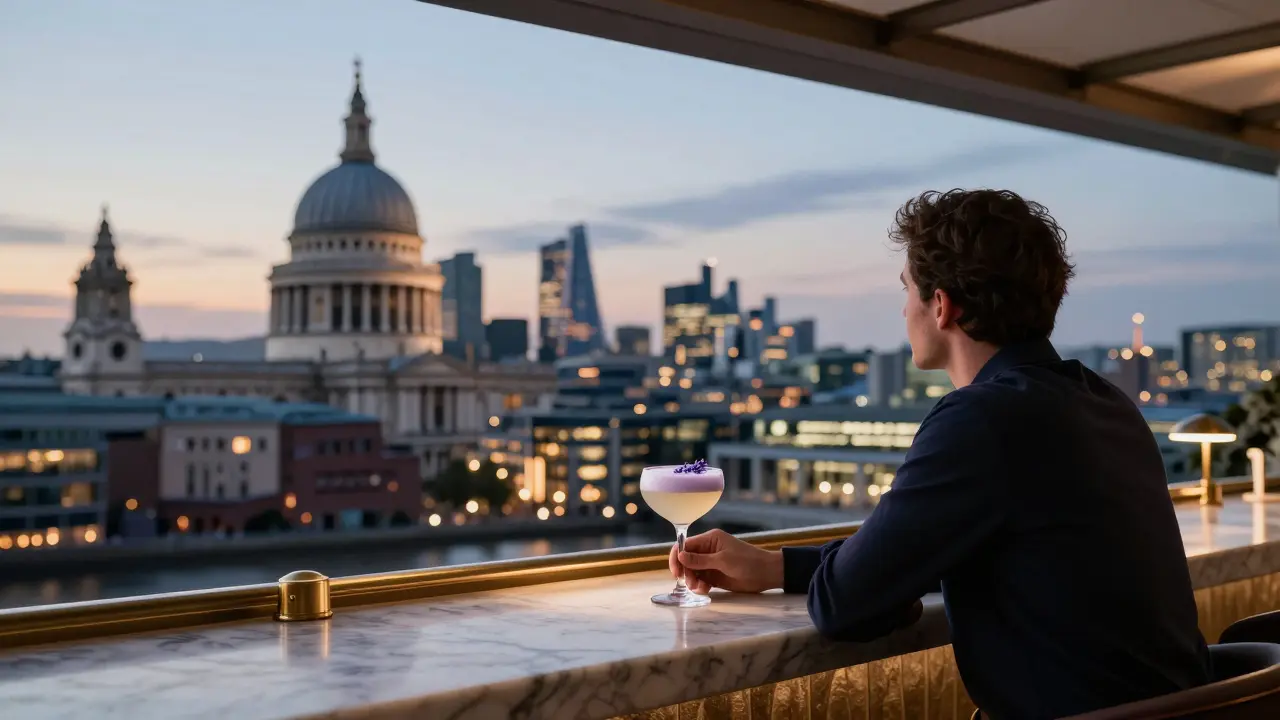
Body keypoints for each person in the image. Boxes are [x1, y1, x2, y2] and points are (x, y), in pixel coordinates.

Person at [671, 189, 1210, 719]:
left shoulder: (983, 420)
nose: (903, 308)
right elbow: (955, 547)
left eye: (907, 289)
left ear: (942, 305)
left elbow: (845, 607)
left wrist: (872, 586)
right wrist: (775, 565)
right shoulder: (1103, 401)